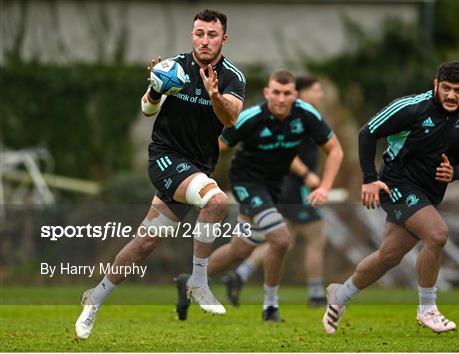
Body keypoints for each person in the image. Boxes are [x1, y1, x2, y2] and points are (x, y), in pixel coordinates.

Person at [75, 9, 245, 339]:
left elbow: (230, 120)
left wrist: (213, 95)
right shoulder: (174, 67)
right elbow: (147, 109)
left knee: (145, 242)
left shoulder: (232, 77)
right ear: (192, 35)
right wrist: (156, 89)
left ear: (223, 39)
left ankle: (94, 298)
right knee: (216, 201)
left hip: (196, 167)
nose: (205, 40)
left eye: (212, 34)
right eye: (199, 33)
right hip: (166, 158)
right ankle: (198, 281)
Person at [322, 61, 459, 334]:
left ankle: (339, 296)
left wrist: (455, 172)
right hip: (396, 184)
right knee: (437, 234)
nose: (451, 95)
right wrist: (369, 180)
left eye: (458, 90)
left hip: (429, 193)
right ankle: (427, 308)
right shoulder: (411, 107)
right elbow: (367, 133)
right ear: (435, 85)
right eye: (445, 88)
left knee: (389, 256)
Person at [175, 69, 343, 322]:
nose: (281, 99)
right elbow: (215, 147)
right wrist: (201, 185)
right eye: (276, 92)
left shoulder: (306, 115)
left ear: (295, 95)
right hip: (247, 184)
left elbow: (335, 150)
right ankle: (270, 306)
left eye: (287, 94)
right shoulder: (251, 118)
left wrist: (324, 187)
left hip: (273, 188)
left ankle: (190, 282)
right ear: (267, 93)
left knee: (240, 249)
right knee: (281, 238)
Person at [221, 76, 329, 307]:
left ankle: (239, 273)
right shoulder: (285, 116)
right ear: (299, 93)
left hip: (277, 187)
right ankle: (313, 294)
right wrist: (306, 175)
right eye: (316, 89)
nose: (320, 94)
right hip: (291, 187)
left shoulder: (307, 115)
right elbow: (286, 151)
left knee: (265, 241)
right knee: (310, 237)